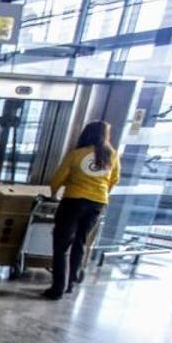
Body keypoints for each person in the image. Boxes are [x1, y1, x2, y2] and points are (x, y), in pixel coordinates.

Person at [42, 120, 120, 300]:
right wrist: (101, 194)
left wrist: (54, 193)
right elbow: (114, 179)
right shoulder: (111, 155)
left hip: (73, 201)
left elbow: (59, 177)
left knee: (61, 245)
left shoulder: (76, 154)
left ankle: (57, 288)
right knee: (80, 242)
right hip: (97, 203)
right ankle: (71, 282)